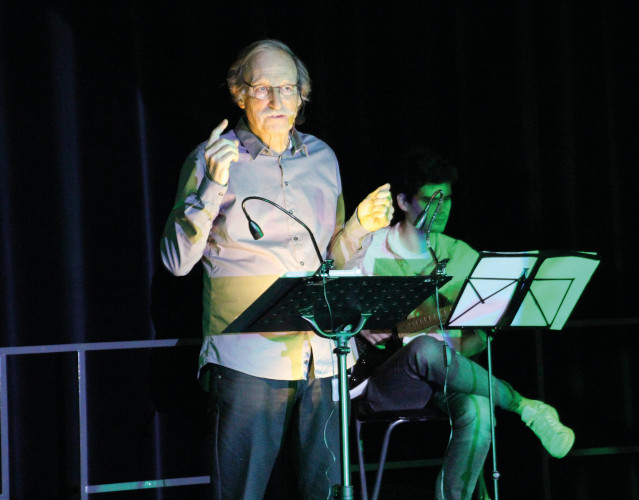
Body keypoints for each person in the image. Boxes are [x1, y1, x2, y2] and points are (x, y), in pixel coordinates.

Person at [159, 39, 393, 500]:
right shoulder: (212, 159)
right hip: (248, 357)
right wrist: (211, 187)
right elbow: (176, 262)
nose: (275, 100)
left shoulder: (323, 158)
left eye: (286, 88)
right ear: (238, 94)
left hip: (323, 357)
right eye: (262, 87)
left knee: (326, 490)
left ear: (302, 96)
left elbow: (334, 261)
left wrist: (358, 229)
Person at [347, 148, 575, 500]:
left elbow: (479, 338)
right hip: (384, 379)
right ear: (404, 201)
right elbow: (339, 308)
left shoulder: (461, 255)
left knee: (480, 407)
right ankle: (524, 406)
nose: (442, 209)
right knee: (424, 348)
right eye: (430, 199)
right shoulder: (372, 249)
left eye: (448, 198)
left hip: (445, 378)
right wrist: (359, 323)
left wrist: (453, 348)